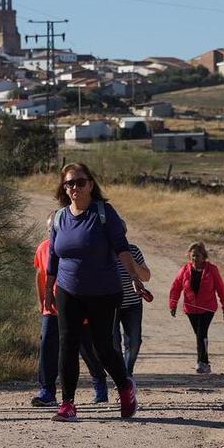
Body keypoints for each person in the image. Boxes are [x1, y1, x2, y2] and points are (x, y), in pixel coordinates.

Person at [45, 163, 142, 422]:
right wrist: (48, 288)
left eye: (79, 182)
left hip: (104, 292)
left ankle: (125, 387)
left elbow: (122, 248)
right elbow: (53, 257)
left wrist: (134, 277)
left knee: (102, 348)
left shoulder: (104, 213)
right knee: (68, 343)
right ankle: (67, 404)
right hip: (68, 289)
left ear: (90, 184)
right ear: (63, 188)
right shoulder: (59, 218)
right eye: (69, 183)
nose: (74, 187)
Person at [33, 218, 113, 406]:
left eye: (55, 227)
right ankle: (47, 391)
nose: (52, 231)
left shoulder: (75, 248)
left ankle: (99, 380)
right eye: (49, 228)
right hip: (51, 307)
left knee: (87, 349)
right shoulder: (43, 248)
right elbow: (40, 274)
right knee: (47, 346)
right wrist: (42, 300)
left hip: (76, 305)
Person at [169, 242, 224, 374]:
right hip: (191, 309)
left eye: (197, 256)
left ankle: (201, 362)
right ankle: (206, 362)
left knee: (201, 333)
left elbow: (221, 289)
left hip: (207, 308)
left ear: (204, 257)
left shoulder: (212, 270)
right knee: (200, 335)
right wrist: (173, 304)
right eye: (192, 256)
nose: (194, 259)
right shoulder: (185, 270)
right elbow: (176, 287)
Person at [112, 235, 152, 377]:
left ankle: (127, 374)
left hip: (133, 304)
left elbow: (146, 276)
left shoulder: (133, 250)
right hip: (110, 305)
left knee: (134, 341)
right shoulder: (103, 250)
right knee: (113, 343)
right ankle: (121, 374)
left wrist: (130, 261)